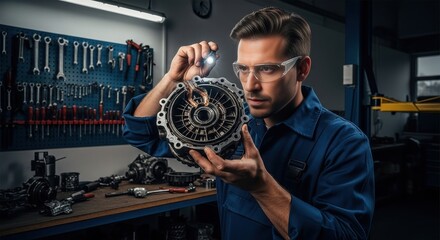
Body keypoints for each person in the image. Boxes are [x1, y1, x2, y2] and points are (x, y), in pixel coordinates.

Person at [122, 6, 375, 240]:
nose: (250, 85)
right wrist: (172, 79)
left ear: (302, 69)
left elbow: (346, 234)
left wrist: (261, 187)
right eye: (243, 69)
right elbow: (141, 133)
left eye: (267, 69)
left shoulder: (343, 142)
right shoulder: (231, 124)